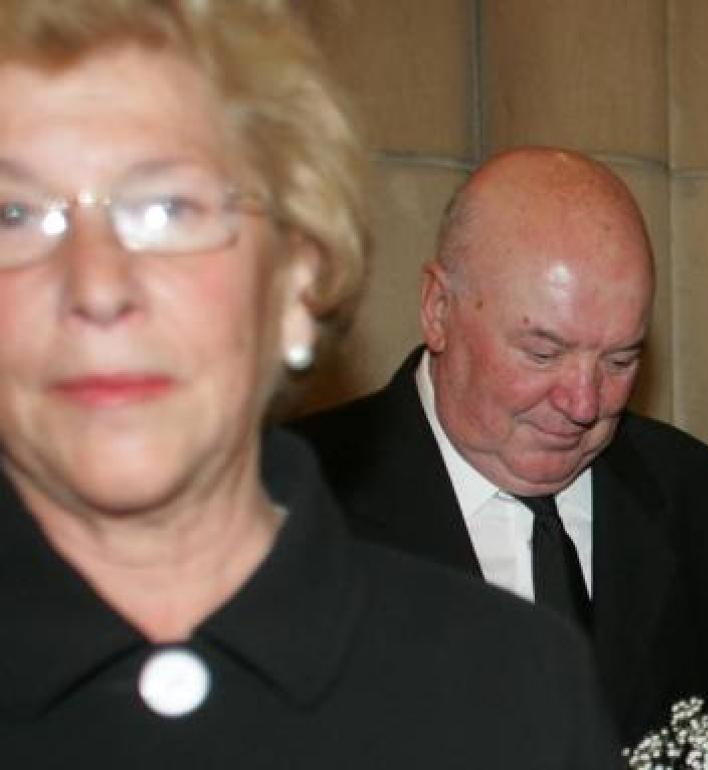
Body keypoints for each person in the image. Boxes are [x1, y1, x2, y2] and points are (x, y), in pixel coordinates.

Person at [0, 2, 622, 767]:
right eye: (15, 215)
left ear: (297, 283)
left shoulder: (515, 689)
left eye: (169, 209)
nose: (95, 286)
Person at [293, 146, 708, 744]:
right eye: (544, 353)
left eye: (620, 360)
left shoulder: (702, 503)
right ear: (438, 310)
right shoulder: (294, 499)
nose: (584, 403)